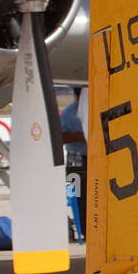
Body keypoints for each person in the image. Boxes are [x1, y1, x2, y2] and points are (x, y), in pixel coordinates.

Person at [61, 88, 87, 236]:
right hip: (75, 158)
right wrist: (78, 136)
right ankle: (82, 228)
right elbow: (60, 137)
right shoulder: (67, 114)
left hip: (94, 157)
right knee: (77, 195)